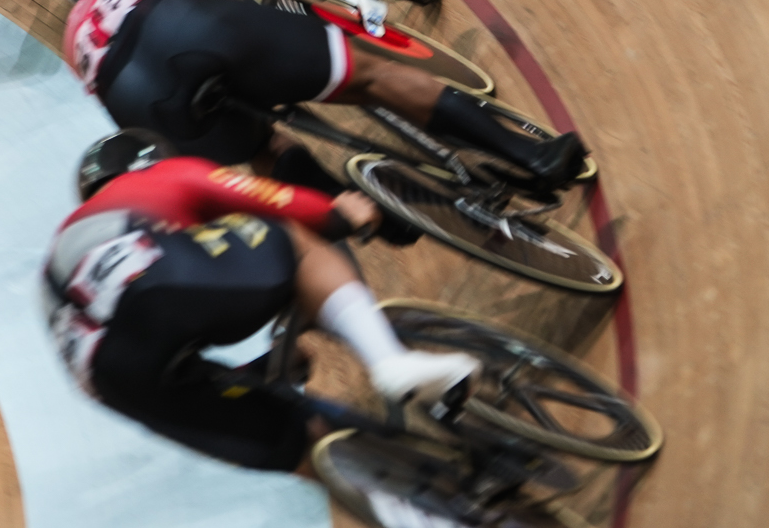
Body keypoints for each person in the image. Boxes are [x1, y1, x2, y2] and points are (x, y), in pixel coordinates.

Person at [45, 128, 478, 471]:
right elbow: (271, 202)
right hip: (154, 283)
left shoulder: (59, 256)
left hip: (109, 374)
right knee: (291, 239)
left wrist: (247, 376)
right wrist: (338, 214)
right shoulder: (157, 177)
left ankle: (437, 521)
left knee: (297, 442)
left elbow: (125, 350)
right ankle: (389, 361)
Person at [50, 0, 588, 185]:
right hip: (186, 33)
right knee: (372, 78)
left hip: (145, 107)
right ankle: (533, 155)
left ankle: (354, 209)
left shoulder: (73, 31)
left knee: (259, 145)